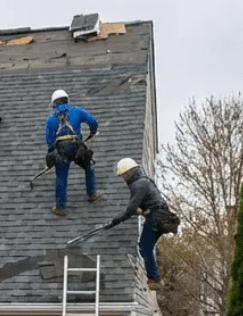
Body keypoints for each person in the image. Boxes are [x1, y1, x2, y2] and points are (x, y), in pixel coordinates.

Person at [108, 158, 181, 291]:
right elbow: (148, 204)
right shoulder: (142, 181)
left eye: (123, 175)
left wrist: (115, 221)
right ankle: (155, 277)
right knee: (146, 247)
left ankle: (155, 278)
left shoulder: (139, 184)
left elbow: (130, 209)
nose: (123, 178)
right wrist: (141, 211)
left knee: (145, 246)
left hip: (156, 218)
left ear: (129, 173)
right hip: (160, 216)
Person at [43, 89, 100, 216]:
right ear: (67, 100)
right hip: (77, 147)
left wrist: (52, 152)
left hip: (62, 150)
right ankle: (93, 194)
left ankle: (60, 207)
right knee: (88, 167)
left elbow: (49, 139)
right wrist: (92, 132)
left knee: (61, 175)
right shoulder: (77, 111)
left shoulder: (51, 118)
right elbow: (93, 122)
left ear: (54, 103)